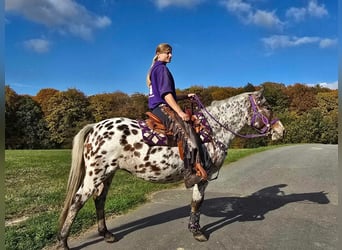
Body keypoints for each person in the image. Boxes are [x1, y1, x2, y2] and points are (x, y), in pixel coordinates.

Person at [146, 43, 206, 188]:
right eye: (167, 53)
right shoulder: (161, 69)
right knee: (187, 133)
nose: (170, 55)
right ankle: (189, 174)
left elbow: (169, 94)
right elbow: (166, 95)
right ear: (159, 54)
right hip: (162, 108)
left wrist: (186, 96)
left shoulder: (154, 69)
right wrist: (180, 112)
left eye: (171, 53)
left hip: (156, 107)